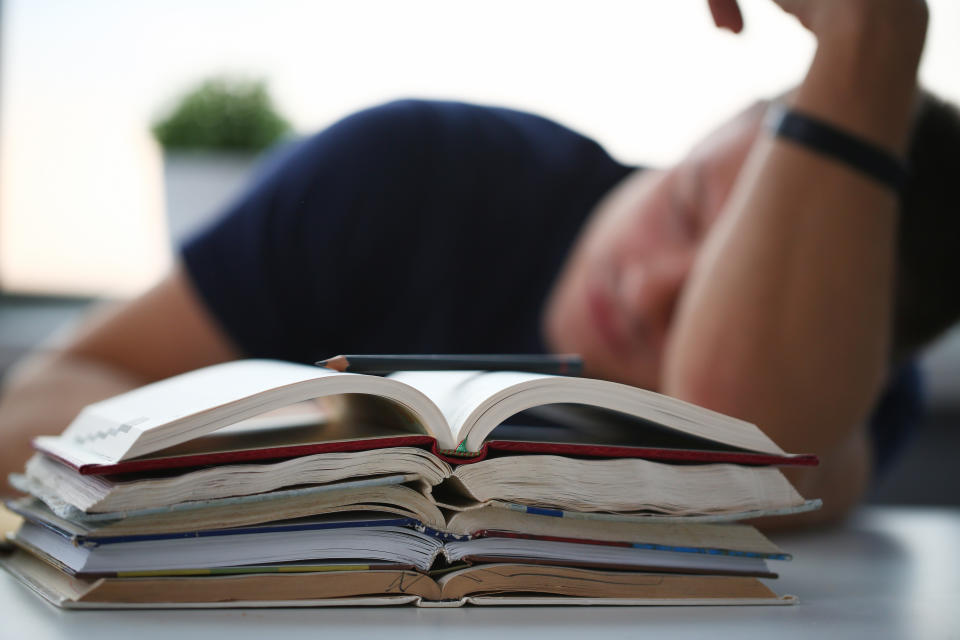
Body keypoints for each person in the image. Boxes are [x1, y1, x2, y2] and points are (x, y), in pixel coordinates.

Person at [1, 0, 955, 526]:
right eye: (694, 201)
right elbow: (40, 408)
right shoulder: (409, 172)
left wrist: (872, 39)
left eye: (727, 275)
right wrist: (294, 454)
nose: (656, 282)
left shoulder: (834, 381)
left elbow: (752, 425)